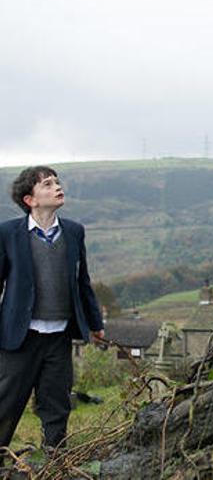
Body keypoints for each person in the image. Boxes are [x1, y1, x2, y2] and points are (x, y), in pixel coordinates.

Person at [0, 166, 104, 460]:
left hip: (60, 335)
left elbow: (82, 280)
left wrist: (95, 322)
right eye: (47, 184)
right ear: (29, 199)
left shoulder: (73, 231)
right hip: (20, 337)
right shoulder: (8, 233)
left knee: (56, 404)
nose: (57, 187)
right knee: (6, 403)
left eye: (57, 182)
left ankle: (55, 464)